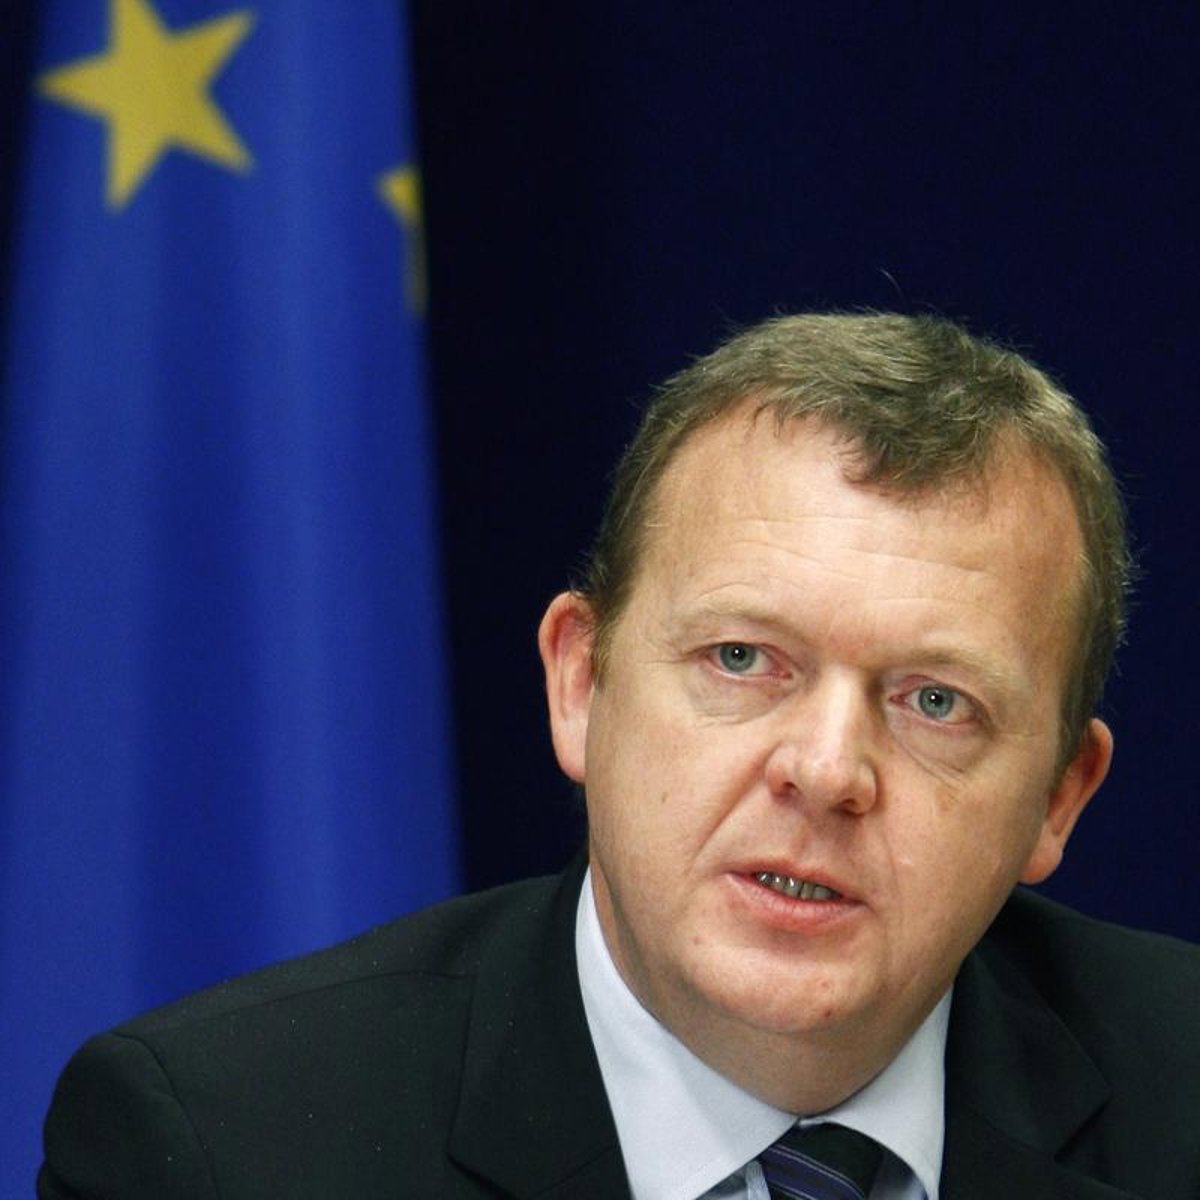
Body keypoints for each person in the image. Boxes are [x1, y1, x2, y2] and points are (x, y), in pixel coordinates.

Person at [39, 313, 1200, 1199]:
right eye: (743, 658)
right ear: (580, 684)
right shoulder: (223, 1151)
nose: (825, 771)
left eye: (936, 702)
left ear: (1059, 798)